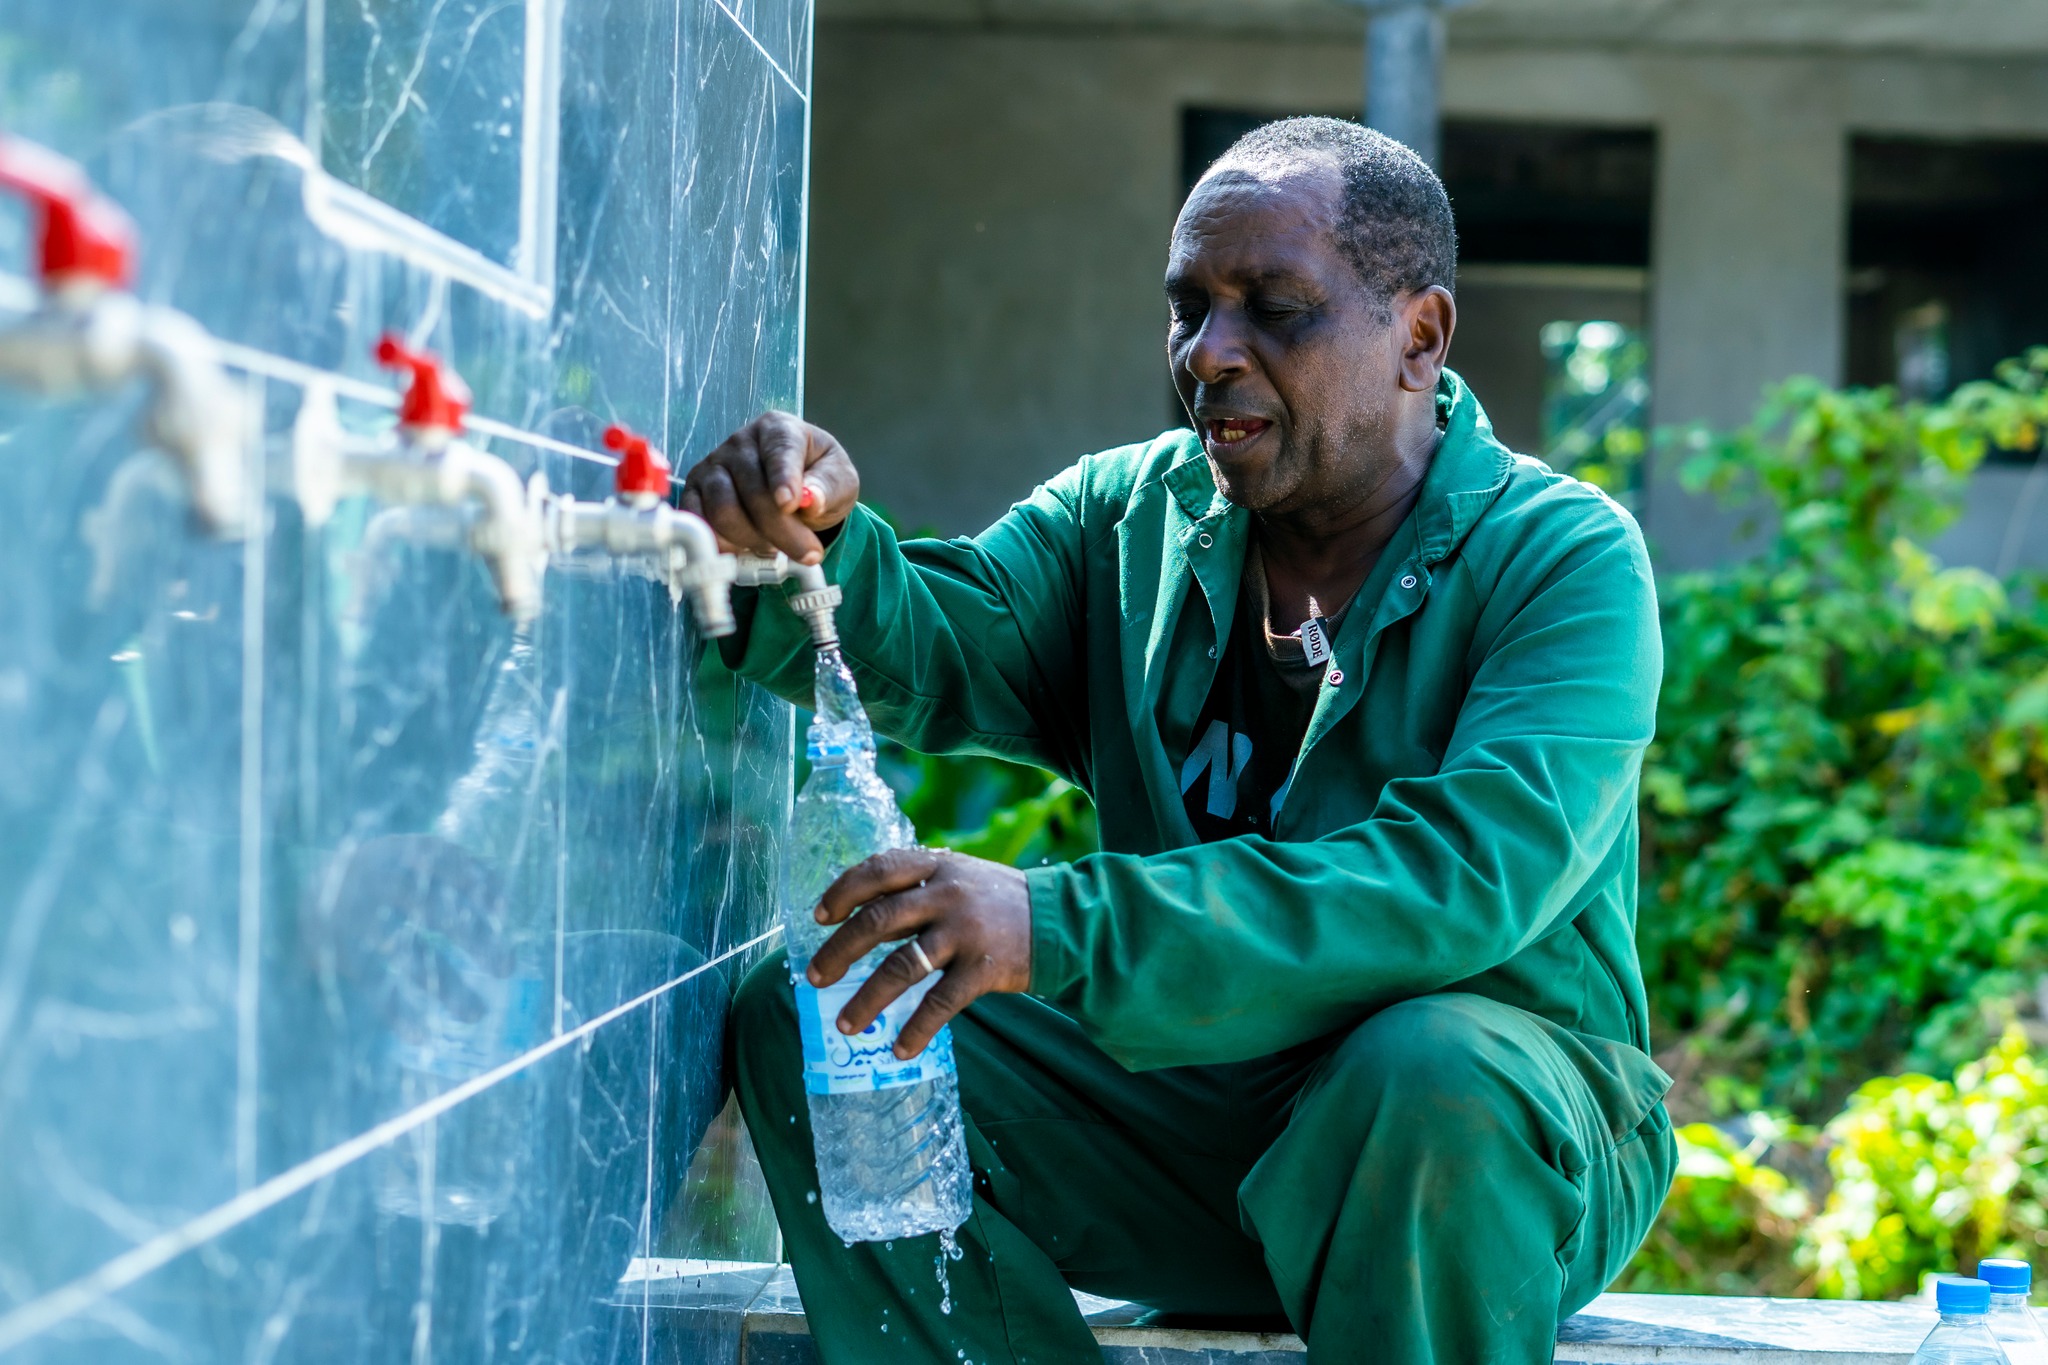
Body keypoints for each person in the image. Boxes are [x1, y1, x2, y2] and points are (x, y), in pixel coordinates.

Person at [686, 116, 1674, 1365]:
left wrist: (1058, 923)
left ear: (1417, 336)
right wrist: (808, 541)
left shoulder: (1560, 558)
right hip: (1202, 1124)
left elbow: (1455, 885)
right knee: (831, 1007)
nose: (1209, 354)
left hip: (1480, 1150)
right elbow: (941, 642)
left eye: (1274, 308)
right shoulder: (1125, 517)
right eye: (1188, 308)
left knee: (1421, 1065)